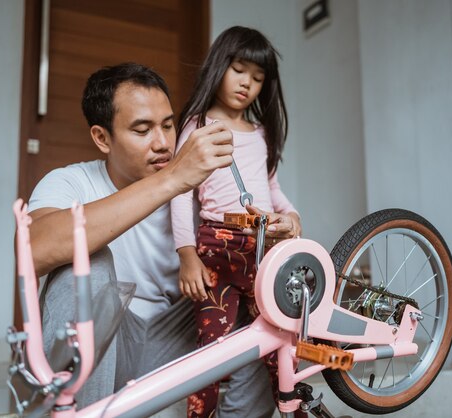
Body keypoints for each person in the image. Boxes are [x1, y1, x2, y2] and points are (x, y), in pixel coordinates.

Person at [25, 62, 286, 416]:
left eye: (167, 125)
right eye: (142, 130)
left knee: (261, 292)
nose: (163, 143)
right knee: (83, 264)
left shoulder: (205, 188)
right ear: (102, 138)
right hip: (109, 340)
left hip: (177, 337)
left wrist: (275, 228)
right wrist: (172, 180)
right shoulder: (70, 183)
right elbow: (35, 249)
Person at [170, 26, 303, 418]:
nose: (247, 84)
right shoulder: (197, 125)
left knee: (283, 347)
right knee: (211, 353)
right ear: (219, 66)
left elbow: (273, 188)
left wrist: (292, 217)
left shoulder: (261, 133)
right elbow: (180, 192)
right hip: (217, 251)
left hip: (266, 251)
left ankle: (296, 411)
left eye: (258, 78)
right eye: (239, 70)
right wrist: (187, 256)